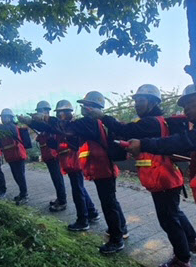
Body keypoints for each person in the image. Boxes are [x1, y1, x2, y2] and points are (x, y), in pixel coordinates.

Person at [101, 84, 196, 267]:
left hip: (161, 178)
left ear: (153, 102)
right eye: (136, 101)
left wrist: (104, 118)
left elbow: (126, 129)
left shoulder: (150, 122)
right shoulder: (156, 121)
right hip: (166, 177)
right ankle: (192, 241)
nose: (137, 105)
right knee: (175, 213)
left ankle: (182, 261)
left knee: (168, 220)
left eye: (141, 101)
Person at [30, 91, 127, 254]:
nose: (82, 108)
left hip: (103, 168)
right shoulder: (92, 122)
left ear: (92, 108)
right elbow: (72, 141)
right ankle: (120, 229)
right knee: (110, 201)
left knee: (108, 204)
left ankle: (116, 239)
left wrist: (44, 119)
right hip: (101, 167)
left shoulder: (90, 122)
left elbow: (66, 128)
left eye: (85, 105)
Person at [126, 84, 196, 235]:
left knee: (170, 217)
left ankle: (183, 256)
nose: (186, 109)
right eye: (184, 105)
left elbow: (182, 141)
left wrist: (143, 144)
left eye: (191, 103)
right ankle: (191, 243)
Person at [21, 100, 100, 231]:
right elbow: (49, 128)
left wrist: (45, 120)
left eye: (62, 113)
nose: (59, 116)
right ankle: (92, 212)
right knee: (79, 189)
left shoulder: (73, 125)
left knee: (78, 191)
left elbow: (60, 130)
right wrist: (31, 122)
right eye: (58, 113)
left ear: (69, 113)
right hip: (69, 162)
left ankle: (83, 220)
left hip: (75, 161)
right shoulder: (63, 125)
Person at [32, 100, 68, 212]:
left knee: (57, 178)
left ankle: (62, 201)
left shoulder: (50, 122)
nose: (39, 113)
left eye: (40, 111)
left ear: (47, 111)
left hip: (52, 154)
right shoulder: (44, 123)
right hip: (47, 154)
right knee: (55, 178)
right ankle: (60, 198)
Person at [0, 108, 29, 205]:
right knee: (16, 176)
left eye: (5, 117)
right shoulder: (3, 128)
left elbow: (8, 132)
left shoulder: (11, 127)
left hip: (18, 154)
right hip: (11, 155)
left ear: (10, 118)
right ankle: (22, 193)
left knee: (20, 176)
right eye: (2, 117)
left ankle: (24, 195)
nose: (3, 119)